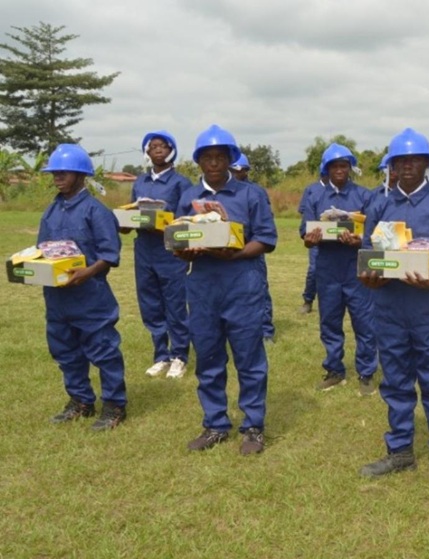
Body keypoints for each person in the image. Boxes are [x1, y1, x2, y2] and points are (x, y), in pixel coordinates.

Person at [358, 128, 429, 490]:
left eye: (415, 161)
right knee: (394, 379)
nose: (407, 167)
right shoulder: (379, 204)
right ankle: (401, 450)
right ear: (391, 165)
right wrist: (371, 278)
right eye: (400, 162)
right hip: (389, 305)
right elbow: (367, 259)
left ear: (426, 164)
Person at [173, 125, 277, 455]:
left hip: (242, 284)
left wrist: (234, 252)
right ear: (199, 162)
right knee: (208, 357)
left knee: (249, 358)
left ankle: (253, 426)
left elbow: (266, 239)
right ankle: (215, 423)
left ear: (231, 160)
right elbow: (178, 237)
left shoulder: (251, 194)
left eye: (221, 157)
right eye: (208, 157)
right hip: (202, 285)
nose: (214, 163)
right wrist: (183, 250)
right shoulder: (190, 197)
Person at [39, 144, 128, 430]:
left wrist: (87, 273)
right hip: (57, 298)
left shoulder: (96, 211)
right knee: (65, 351)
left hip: (90, 297)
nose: (57, 177)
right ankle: (80, 401)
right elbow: (42, 250)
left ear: (80, 175)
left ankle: (114, 406)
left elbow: (109, 255)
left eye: (63, 172)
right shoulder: (51, 211)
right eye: (54, 172)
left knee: (103, 351)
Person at [301, 143, 378, 396]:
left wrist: (361, 240)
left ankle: (366, 373)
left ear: (350, 168)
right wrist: (309, 239)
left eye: (343, 165)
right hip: (327, 267)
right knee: (330, 321)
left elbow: (375, 233)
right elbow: (306, 231)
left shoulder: (365, 195)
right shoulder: (314, 195)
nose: (339, 170)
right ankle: (335, 370)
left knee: (364, 322)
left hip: (356, 268)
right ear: (326, 169)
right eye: (334, 166)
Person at [127, 130, 192, 379]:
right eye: (152, 146)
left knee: (174, 304)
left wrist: (165, 222)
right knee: (150, 304)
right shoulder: (139, 182)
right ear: (147, 152)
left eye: (162, 146)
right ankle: (160, 355)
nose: (157, 150)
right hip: (144, 249)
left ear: (171, 150)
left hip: (170, 251)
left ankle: (179, 356)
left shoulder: (181, 183)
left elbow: (186, 219)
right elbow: (133, 213)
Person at [231, 153, 276, 343]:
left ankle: (265, 330)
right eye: (232, 170)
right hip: (228, 247)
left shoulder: (255, 191)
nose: (234, 174)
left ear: (246, 171)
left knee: (259, 290)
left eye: (238, 171)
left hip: (252, 248)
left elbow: (265, 221)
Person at [298, 169, 326, 314]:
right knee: (314, 269)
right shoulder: (312, 189)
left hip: (336, 239)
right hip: (316, 236)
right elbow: (304, 210)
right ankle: (308, 300)